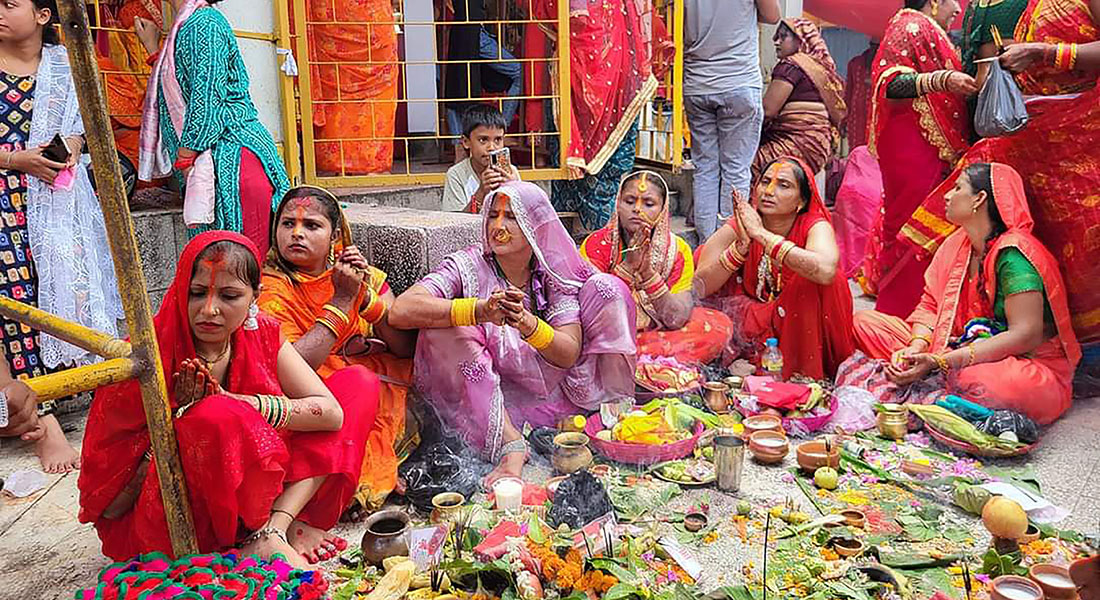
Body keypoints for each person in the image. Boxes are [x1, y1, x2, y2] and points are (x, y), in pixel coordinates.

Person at [78, 232, 378, 566]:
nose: (209, 310)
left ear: (254, 297)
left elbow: (332, 414)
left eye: (229, 295)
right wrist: (173, 425)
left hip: (266, 495)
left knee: (359, 384)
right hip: (183, 517)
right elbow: (111, 505)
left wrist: (244, 403)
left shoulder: (261, 332)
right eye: (195, 293)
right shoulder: (148, 356)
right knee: (217, 415)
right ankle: (263, 533)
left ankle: (273, 530)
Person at [389, 182, 636, 483]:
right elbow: (401, 310)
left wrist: (527, 323)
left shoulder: (551, 271)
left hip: (553, 388)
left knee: (608, 290)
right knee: (443, 328)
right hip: (489, 395)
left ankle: (608, 408)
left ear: (535, 225)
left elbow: (569, 351)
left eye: (511, 217)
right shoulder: (468, 265)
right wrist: (478, 311)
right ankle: (509, 443)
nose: (498, 225)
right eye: (493, 215)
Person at [899, 0, 1100, 346]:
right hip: (1029, 139)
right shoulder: (1032, 4)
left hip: (1079, 137)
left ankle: (1080, 345)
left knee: (1084, 243)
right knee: (1026, 235)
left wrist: (1043, 53)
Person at [841, 164, 1080, 425]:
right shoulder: (957, 243)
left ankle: (939, 382)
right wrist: (915, 347)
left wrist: (943, 362)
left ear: (979, 199)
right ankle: (930, 378)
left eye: (957, 188)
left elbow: (1025, 335)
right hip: (953, 346)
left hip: (1021, 363)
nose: (946, 195)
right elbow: (930, 305)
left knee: (979, 382)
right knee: (863, 323)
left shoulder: (1015, 255)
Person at [0, 0, 125, 473]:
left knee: (53, 298)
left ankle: (33, 407)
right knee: (13, 303)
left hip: (55, 204)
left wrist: (69, 148)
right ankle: (43, 423)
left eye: (10, 3)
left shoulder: (65, 67)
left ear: (43, 16)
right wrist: (16, 160)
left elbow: (85, 130)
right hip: (4, 203)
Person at [259, 186, 416, 513]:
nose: (297, 233)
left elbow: (404, 348)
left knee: (426, 374)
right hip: (313, 389)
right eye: (287, 224)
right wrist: (343, 302)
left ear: (335, 237)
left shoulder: (362, 274)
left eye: (311, 225)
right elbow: (294, 368)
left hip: (375, 372)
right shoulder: (270, 287)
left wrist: (365, 296)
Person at [135, 0, 290, 256]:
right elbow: (182, 89)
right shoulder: (187, 26)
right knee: (226, 272)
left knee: (245, 273)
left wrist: (185, 157)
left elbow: (207, 100)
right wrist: (154, 50)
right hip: (215, 164)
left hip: (235, 166)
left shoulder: (205, 24)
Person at [865, 0, 978, 319]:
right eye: (952, 0)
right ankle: (901, 313)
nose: (957, 9)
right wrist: (942, 80)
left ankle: (927, 313)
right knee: (911, 225)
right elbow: (889, 83)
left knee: (934, 225)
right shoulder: (909, 26)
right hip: (913, 144)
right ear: (933, 2)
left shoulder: (930, 30)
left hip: (926, 145)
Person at [694, 157, 855, 380]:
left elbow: (826, 270)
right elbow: (699, 287)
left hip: (803, 322)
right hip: (755, 321)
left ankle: (803, 376)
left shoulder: (814, 225)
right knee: (704, 253)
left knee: (814, 280)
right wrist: (739, 250)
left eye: (783, 185)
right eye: (765, 181)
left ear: (801, 202)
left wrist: (761, 236)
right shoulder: (742, 223)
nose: (769, 191)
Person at [580, 170, 732, 364]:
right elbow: (591, 315)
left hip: (655, 334)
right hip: (609, 336)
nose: (637, 209)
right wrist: (627, 268)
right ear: (617, 204)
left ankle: (640, 362)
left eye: (648, 203)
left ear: (663, 209)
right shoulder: (596, 245)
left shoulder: (677, 250)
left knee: (717, 326)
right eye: (629, 201)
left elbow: (676, 319)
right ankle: (654, 363)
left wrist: (648, 274)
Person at [537, 0, 662, 230]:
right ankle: (601, 243)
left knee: (604, 167)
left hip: (607, 72)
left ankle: (599, 244)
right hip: (596, 69)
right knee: (580, 168)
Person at [683, 0, 781, 240]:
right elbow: (773, 16)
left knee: (705, 168)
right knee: (735, 168)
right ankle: (728, 244)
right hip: (738, 81)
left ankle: (707, 245)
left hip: (697, 84)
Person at [302, 0, 399, 175]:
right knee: (366, 92)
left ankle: (345, 165)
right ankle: (371, 164)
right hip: (353, 18)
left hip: (335, 16)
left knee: (340, 92)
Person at [755, 18, 847, 182]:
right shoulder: (821, 69)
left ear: (800, 40)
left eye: (783, 37)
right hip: (818, 148)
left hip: (794, 144)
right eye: (776, 36)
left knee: (746, 168)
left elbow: (768, 111)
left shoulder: (791, 65)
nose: (777, 42)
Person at [442, 105, 521, 213]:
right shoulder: (456, 175)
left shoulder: (511, 172)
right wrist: (481, 192)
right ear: (466, 142)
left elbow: (523, 216)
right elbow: (454, 223)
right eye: (483, 140)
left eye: (498, 140)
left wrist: (513, 188)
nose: (492, 147)